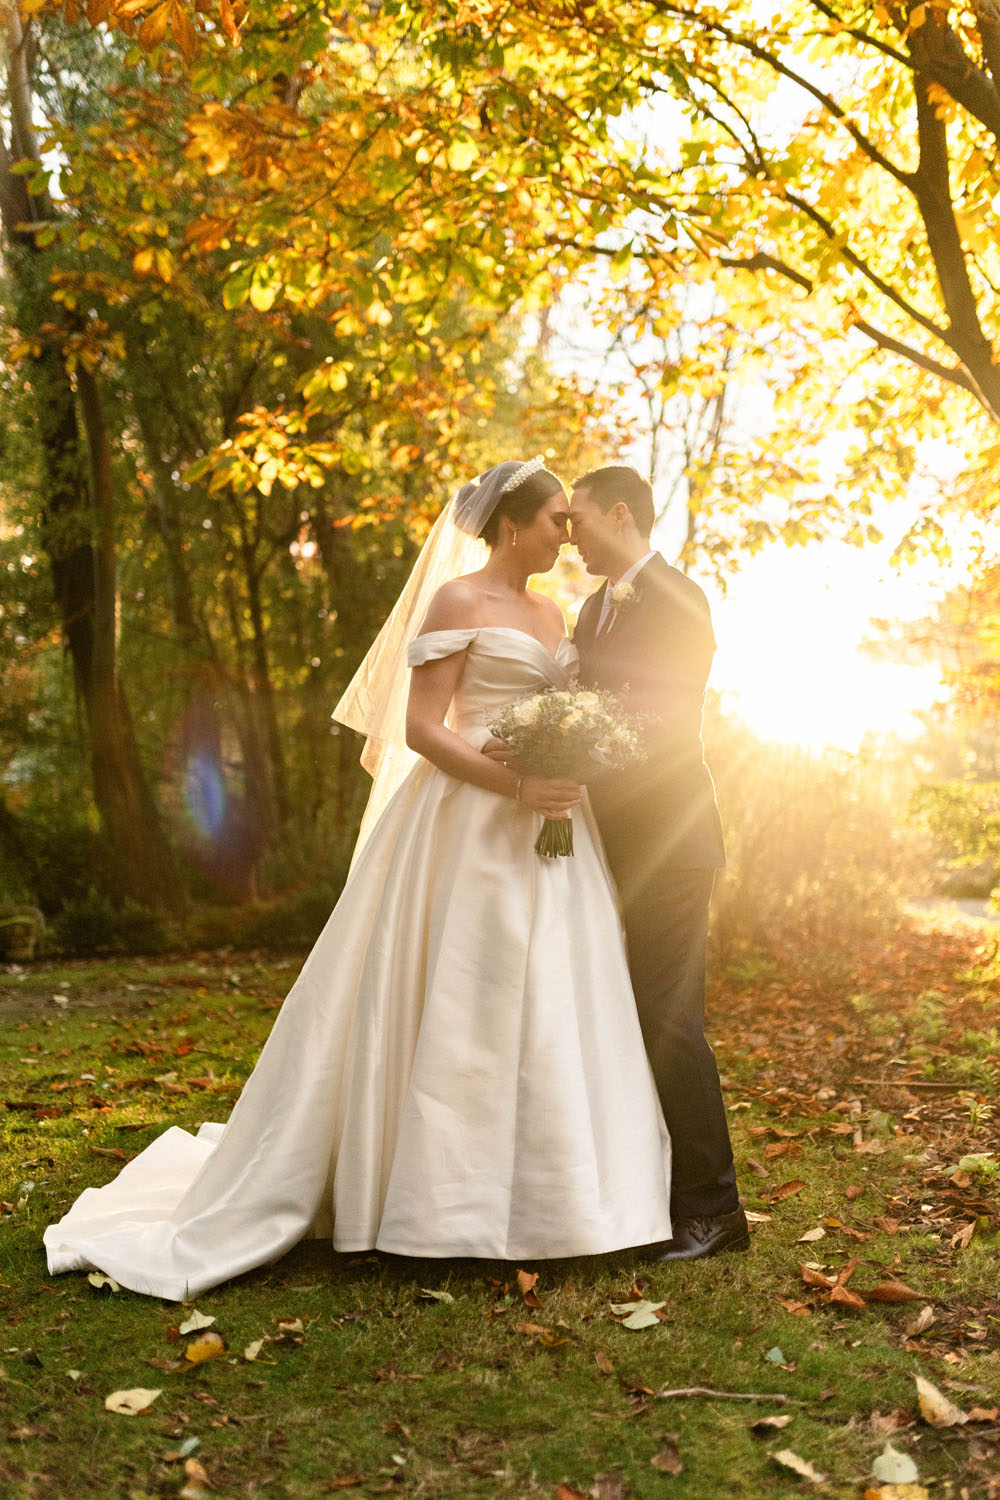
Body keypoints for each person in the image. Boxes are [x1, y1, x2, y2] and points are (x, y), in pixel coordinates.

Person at [43, 460, 673, 1301]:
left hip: (553, 826)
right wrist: (515, 783)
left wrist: (567, 760)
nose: (567, 533)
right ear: (511, 525)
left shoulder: (554, 611)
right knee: (461, 997)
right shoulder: (457, 603)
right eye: (557, 519)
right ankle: (435, 1204)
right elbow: (420, 727)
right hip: (470, 821)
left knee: (557, 1001)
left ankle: (559, 1201)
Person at [569, 465, 747, 1262]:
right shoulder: (589, 608)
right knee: (621, 1013)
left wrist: (568, 748)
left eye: (577, 520)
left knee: (671, 1022)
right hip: (603, 842)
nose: (569, 536)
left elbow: (663, 719)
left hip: (671, 845)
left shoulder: (679, 597)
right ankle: (651, 1189)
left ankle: (715, 1213)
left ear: (619, 514)